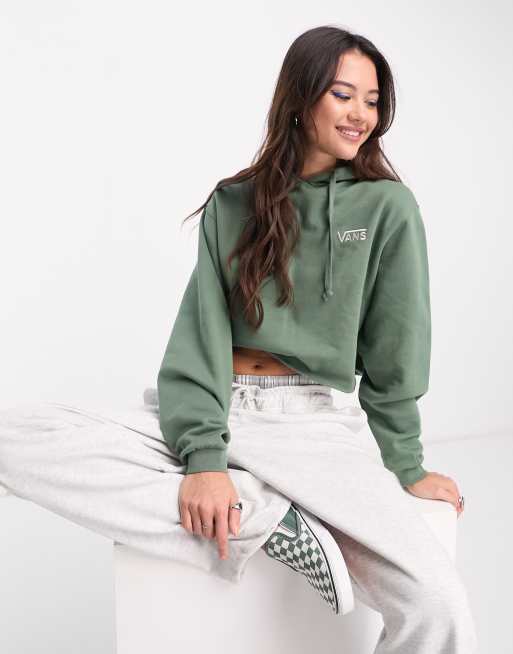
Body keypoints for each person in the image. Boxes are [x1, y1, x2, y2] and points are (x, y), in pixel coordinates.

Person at [0, 25, 478, 653]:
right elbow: (201, 337)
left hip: (312, 425)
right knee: (14, 435)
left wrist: (405, 464)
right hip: (221, 408)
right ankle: (261, 519)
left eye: (372, 100)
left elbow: (397, 348)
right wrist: (203, 460)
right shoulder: (233, 203)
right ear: (301, 97)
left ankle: (254, 501)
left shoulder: (386, 207)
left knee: (438, 605)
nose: (361, 114)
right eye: (343, 95)